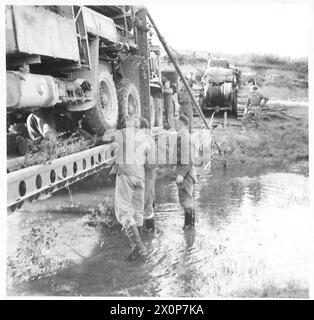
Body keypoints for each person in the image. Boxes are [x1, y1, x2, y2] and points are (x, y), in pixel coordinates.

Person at [111, 116, 155, 260]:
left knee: (123, 210)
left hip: (126, 175)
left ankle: (138, 247)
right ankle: (138, 244)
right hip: (140, 177)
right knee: (137, 211)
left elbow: (110, 145)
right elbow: (150, 162)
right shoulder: (146, 137)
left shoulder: (122, 133)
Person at [175, 114, 197, 230]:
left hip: (186, 174)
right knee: (186, 198)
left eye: (176, 124)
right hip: (186, 173)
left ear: (180, 124)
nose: (175, 126)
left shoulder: (185, 138)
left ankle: (189, 225)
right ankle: (189, 225)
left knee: (187, 199)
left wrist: (181, 174)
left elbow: (189, 160)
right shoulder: (184, 137)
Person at [139, 117, 157, 233]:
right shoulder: (149, 138)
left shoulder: (147, 140)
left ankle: (149, 231)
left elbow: (151, 162)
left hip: (147, 173)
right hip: (149, 173)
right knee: (148, 198)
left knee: (146, 201)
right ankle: (149, 231)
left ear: (143, 129)